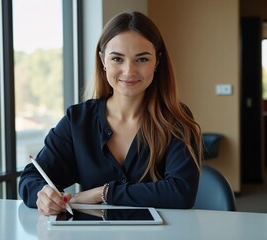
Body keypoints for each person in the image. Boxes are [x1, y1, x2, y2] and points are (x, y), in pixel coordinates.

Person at [19, 11, 202, 216]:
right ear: (103, 60)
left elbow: (181, 192)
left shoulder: (175, 119)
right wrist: (42, 195)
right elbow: (30, 178)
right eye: (117, 59)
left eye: (141, 59)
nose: (129, 71)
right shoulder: (78, 120)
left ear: (157, 62)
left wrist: (103, 193)